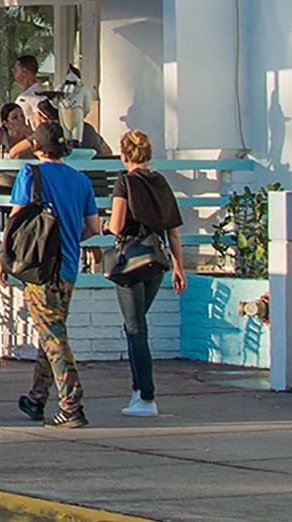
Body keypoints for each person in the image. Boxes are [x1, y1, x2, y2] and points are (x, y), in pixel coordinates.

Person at [10, 118, 99, 428]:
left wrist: (2, 260)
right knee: (52, 331)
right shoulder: (81, 181)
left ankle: (71, 404)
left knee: (53, 335)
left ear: (37, 147)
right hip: (69, 267)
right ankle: (37, 398)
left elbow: (17, 220)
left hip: (39, 268)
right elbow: (92, 228)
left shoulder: (29, 174)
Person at [107, 128, 186, 417]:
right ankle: (138, 391)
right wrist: (179, 266)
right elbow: (173, 232)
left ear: (124, 154)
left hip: (130, 261)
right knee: (137, 325)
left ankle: (146, 395)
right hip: (157, 262)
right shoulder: (161, 182)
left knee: (136, 328)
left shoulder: (124, 182)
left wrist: (104, 225)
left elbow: (116, 225)